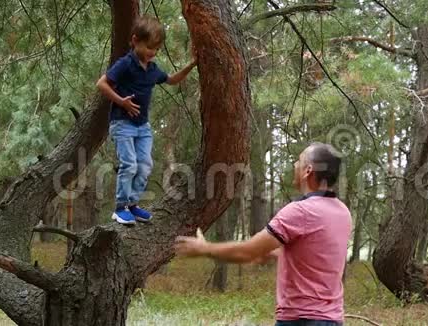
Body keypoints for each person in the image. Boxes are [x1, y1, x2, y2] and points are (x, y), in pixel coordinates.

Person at [175, 143, 353, 326]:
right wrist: (277, 253)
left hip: (302, 319)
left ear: (308, 170)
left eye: (298, 161)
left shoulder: (300, 212)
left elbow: (247, 252)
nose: (294, 164)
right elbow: (318, 254)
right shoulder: (342, 212)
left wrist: (205, 249)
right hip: (332, 320)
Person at [97, 16, 197, 224]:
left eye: (157, 49)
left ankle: (132, 205)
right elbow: (102, 84)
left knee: (144, 164)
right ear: (135, 40)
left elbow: (171, 80)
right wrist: (121, 102)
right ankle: (120, 208)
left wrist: (192, 64)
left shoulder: (152, 69)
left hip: (143, 126)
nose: (153, 52)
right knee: (129, 164)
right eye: (149, 47)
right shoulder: (126, 64)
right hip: (122, 123)